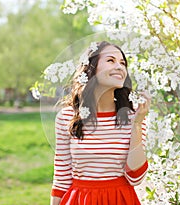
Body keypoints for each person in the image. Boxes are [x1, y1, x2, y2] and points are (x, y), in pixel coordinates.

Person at [50, 41, 151, 205]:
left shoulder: (134, 116)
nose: (119, 66)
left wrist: (137, 124)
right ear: (92, 68)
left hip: (120, 199)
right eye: (111, 60)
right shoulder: (67, 117)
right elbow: (61, 178)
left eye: (122, 63)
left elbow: (135, 177)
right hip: (79, 200)